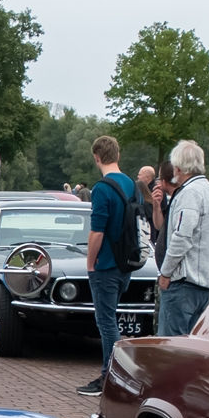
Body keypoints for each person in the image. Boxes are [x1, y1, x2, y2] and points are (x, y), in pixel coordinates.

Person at [76, 135, 138, 397]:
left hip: (107, 264)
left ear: (97, 157)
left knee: (106, 321)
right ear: (118, 155)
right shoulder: (131, 184)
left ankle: (109, 376)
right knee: (112, 318)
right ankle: (116, 373)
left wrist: (90, 262)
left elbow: (97, 231)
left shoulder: (102, 189)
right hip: (127, 262)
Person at [157, 139, 209, 336]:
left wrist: (166, 272)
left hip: (184, 283)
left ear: (178, 168)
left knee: (171, 349)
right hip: (205, 282)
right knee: (193, 348)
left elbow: (182, 237)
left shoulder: (190, 193)